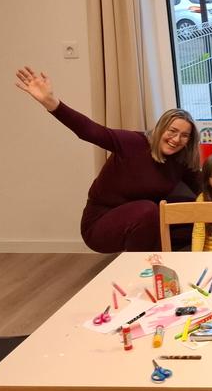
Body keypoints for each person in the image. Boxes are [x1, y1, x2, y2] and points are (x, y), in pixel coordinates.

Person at [14, 66, 201, 253]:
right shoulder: (133, 143)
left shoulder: (181, 160)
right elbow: (90, 131)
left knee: (195, 211)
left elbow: (203, 186)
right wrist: (51, 103)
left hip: (145, 221)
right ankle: (140, 265)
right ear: (160, 128)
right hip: (101, 223)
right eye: (172, 131)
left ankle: (164, 255)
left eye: (184, 135)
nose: (176, 139)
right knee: (148, 209)